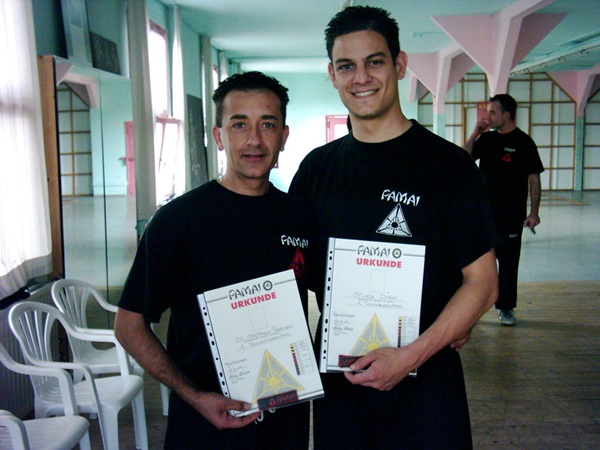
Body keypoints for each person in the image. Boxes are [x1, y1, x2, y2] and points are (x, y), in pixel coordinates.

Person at [289, 6, 499, 449]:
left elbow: (483, 283)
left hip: (427, 382)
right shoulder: (315, 170)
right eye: (347, 66)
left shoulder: (449, 166)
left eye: (375, 62)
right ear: (332, 74)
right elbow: (291, 273)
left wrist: (410, 356)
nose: (361, 77)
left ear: (400, 64)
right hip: (342, 384)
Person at [114, 71, 315, 449]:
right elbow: (129, 326)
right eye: (239, 125)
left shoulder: (300, 216)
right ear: (219, 136)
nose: (254, 139)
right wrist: (192, 395)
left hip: (284, 421)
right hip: (205, 425)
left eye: (267, 124)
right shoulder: (177, 222)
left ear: (284, 136)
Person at [465, 94, 544, 326]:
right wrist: (475, 134)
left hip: (511, 216)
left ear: (506, 115)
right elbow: (463, 159)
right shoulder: (486, 140)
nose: (488, 117)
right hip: (483, 215)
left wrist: (534, 213)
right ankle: (471, 309)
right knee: (478, 264)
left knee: (508, 265)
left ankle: (506, 308)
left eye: (492, 112)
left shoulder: (524, 142)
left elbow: (534, 179)